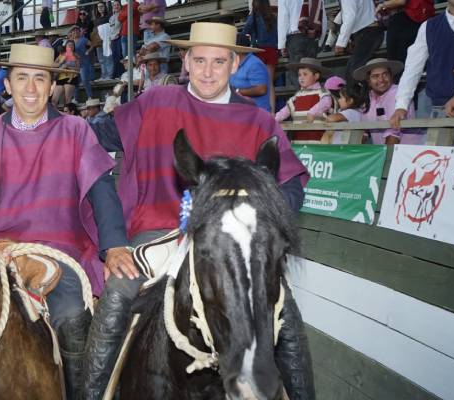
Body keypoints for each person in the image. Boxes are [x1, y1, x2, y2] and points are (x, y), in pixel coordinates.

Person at [84, 22, 313, 400]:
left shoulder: (259, 121)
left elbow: (289, 185)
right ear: (186, 60)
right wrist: (54, 127)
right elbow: (96, 135)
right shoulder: (157, 102)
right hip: (160, 230)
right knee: (118, 292)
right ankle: (91, 394)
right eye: (200, 60)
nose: (208, 71)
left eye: (219, 61)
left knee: (285, 314)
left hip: (234, 244)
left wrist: (260, 215)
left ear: (235, 64)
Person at [0, 44, 129, 400]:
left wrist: (115, 244)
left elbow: (102, 191)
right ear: (7, 85)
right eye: (22, 78)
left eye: (40, 79)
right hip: (3, 251)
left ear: (52, 84)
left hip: (61, 251)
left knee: (73, 317)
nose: (31, 88)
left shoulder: (76, 130)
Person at [391, 0, 454, 147]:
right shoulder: (429, 26)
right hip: (440, 109)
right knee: (441, 165)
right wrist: (401, 106)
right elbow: (412, 68)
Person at [354, 58, 423, 145]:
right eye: (375, 76)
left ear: (391, 76)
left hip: (407, 152)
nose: (381, 80)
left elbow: (394, 133)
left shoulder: (399, 93)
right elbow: (364, 128)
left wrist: (386, 157)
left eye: (385, 74)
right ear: (368, 81)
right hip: (383, 150)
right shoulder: (368, 97)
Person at [275, 57, 333, 142]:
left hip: (318, 141)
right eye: (299, 75)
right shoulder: (297, 96)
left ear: (316, 76)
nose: (301, 78)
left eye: (305, 74)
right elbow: (285, 111)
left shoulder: (322, 92)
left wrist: (313, 112)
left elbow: (327, 102)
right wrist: (274, 119)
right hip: (298, 140)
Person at [335, 0, 385, 87]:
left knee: (354, 74)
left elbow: (350, 16)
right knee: (356, 71)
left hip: (367, 32)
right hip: (371, 31)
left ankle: (358, 98)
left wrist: (341, 42)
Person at [277, 0, 327, 87]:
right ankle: (311, 97)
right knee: (311, 73)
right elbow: (323, 17)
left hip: (295, 38)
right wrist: (320, 41)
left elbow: (283, 18)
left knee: (297, 74)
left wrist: (282, 44)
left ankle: (303, 97)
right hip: (312, 37)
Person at [242, 0, 278, 112]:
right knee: (269, 83)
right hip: (272, 50)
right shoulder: (272, 16)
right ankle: (272, 111)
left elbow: (245, 30)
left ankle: (258, 110)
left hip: (259, 51)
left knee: (257, 83)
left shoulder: (255, 15)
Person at [381, 0, 435, 69]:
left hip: (404, 19)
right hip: (418, 17)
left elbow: (401, 1)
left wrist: (382, 5)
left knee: (398, 61)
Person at [231, 35, 272, 112]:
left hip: (256, 114)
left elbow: (261, 89)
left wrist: (237, 91)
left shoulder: (254, 64)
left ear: (237, 49)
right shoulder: (234, 63)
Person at [109, 0, 124, 79]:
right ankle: (116, 74)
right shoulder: (111, 17)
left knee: (119, 56)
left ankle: (120, 74)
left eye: (118, 5)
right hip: (112, 39)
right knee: (114, 57)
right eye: (114, 5)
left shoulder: (122, 14)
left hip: (119, 37)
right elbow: (110, 29)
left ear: (120, 6)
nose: (116, 6)